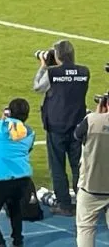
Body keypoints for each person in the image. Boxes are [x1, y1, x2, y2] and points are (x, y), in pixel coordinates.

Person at [33, 39, 89, 215]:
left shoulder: (53, 73)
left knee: (57, 166)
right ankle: (84, 203)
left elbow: (37, 87)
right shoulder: (85, 72)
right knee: (78, 167)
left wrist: (43, 65)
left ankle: (64, 204)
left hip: (56, 125)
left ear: (57, 56)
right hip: (78, 126)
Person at [0, 99, 36, 247]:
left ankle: (0, 244)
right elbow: (27, 148)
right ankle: (18, 242)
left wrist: (3, 120)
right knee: (15, 209)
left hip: (2, 180)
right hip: (23, 179)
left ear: (9, 112)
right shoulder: (30, 132)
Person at [74, 95, 109, 247]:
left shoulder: (91, 120)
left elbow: (77, 135)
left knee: (85, 229)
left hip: (91, 186)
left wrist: (97, 114)